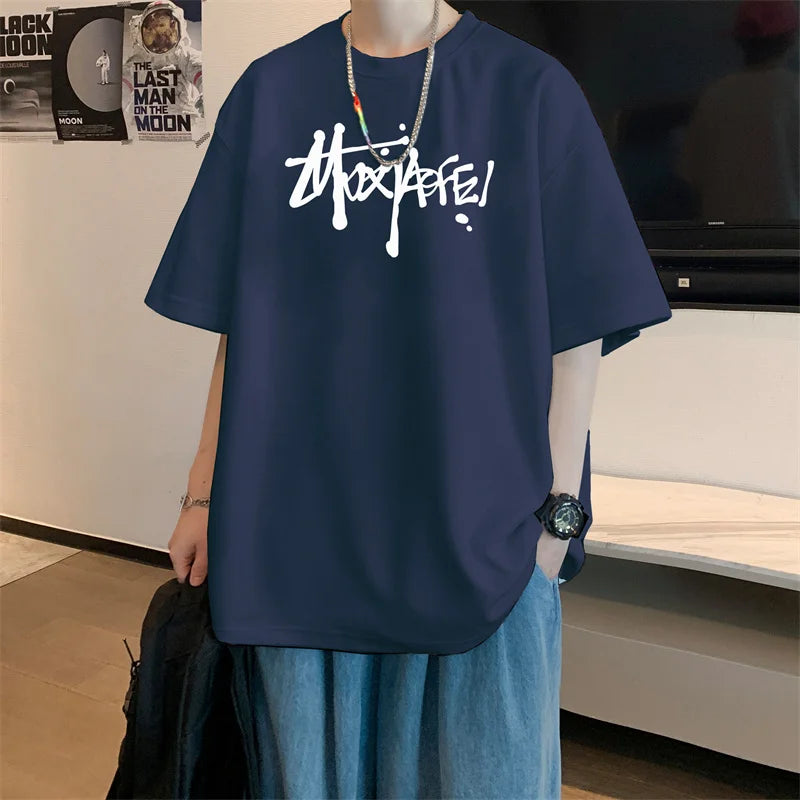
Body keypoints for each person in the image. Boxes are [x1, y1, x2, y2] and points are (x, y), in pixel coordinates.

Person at [144, 1, 673, 796]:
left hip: (480, 539)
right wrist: (202, 492)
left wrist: (556, 521)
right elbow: (241, 321)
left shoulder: (529, 90)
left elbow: (580, 331)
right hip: (295, 536)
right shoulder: (271, 92)